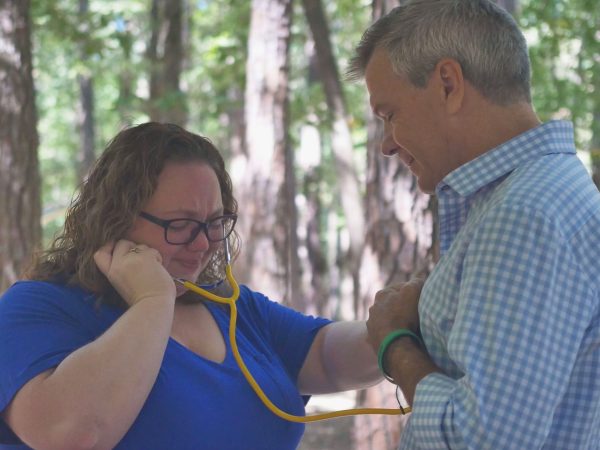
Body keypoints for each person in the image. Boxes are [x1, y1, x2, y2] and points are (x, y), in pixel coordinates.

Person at [0, 122, 383, 450]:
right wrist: (152, 301)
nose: (203, 243)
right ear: (117, 221)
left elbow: (330, 358)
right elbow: (69, 432)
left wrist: (406, 322)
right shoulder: (37, 307)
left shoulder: (232, 309)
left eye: (215, 222)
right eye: (179, 224)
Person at [347, 0, 600, 448]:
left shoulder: (521, 215)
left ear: (448, 84)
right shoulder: (543, 192)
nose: (386, 144)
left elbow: (482, 439)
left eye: (389, 115)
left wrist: (395, 343)